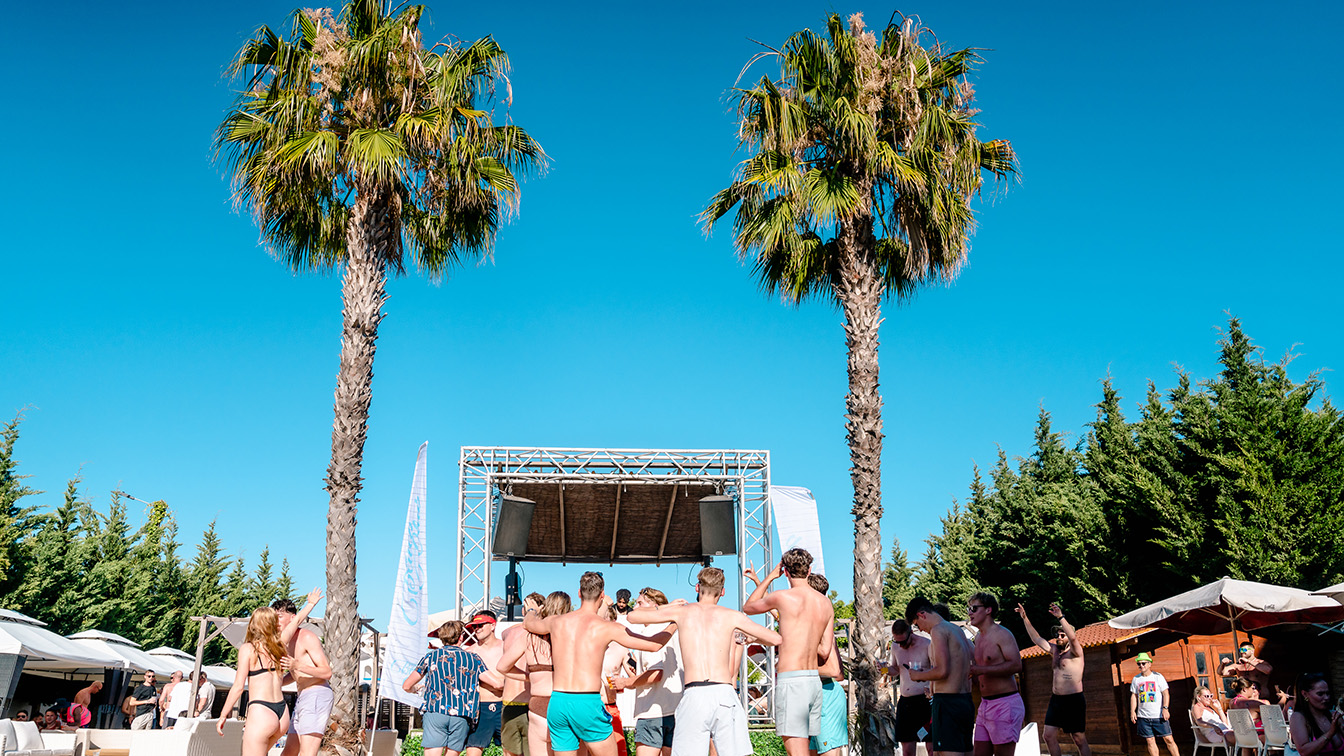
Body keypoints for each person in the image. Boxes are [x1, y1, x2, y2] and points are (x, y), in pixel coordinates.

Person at [627, 566, 780, 756]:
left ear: (697, 588)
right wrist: (752, 638)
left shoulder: (682, 612)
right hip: (724, 692)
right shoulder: (732, 616)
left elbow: (632, 616)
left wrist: (667, 607)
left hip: (695, 693)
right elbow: (775, 639)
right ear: (722, 592)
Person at [522, 572, 675, 756]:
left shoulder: (557, 622)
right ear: (602, 595)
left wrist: (531, 611)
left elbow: (530, 624)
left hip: (558, 701)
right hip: (586, 701)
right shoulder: (606, 627)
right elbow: (654, 644)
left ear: (579, 593)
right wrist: (676, 621)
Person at [742, 548, 835, 756]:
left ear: (785, 572)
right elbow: (825, 650)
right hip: (813, 682)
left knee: (797, 753)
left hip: (792, 681)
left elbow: (748, 607)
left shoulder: (782, 597)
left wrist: (769, 577)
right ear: (809, 570)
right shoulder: (825, 603)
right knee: (808, 751)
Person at [217, 592, 318, 753]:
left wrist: (223, 714)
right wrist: (311, 604)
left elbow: (238, 687)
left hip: (261, 711)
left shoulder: (248, 649)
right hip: (282, 713)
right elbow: (297, 620)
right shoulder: (280, 644)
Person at [404, 620, 492, 756]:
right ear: (461, 637)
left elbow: (406, 685)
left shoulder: (431, 657)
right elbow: (495, 682)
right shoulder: (473, 659)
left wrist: (415, 689)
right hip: (462, 714)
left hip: (436, 711)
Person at [613, 587, 682, 756]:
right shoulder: (674, 631)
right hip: (676, 709)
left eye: (639, 603)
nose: (634, 607)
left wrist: (625, 682)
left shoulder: (652, 631)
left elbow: (655, 674)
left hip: (652, 711)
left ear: (655, 606)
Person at [1018, 602, 1091, 756]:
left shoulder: (1076, 652)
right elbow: (1037, 639)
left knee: (1078, 738)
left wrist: (1061, 617)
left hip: (1074, 700)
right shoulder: (1055, 651)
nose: (1059, 637)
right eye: (1058, 635)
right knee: (1048, 736)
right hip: (1056, 700)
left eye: (1062, 635)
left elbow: (1072, 638)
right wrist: (1025, 618)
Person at [906, 596, 973, 756]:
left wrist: (917, 676)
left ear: (922, 614)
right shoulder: (956, 630)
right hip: (964, 701)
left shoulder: (938, 630)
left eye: (917, 624)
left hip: (948, 702)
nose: (920, 630)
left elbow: (943, 671)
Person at [275, 589, 333, 756]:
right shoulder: (284, 642)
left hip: (316, 694)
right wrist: (274, 683)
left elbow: (326, 672)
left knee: (308, 753)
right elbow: (294, 674)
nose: (275, 621)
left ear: (293, 618)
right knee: (289, 751)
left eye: (279, 616)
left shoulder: (307, 637)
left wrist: (296, 665)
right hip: (302, 697)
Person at [966, 592, 1023, 756]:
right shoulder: (978, 637)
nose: (970, 612)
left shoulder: (1002, 634)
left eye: (974, 608)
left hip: (1005, 703)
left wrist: (981, 670)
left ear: (988, 610)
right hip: (985, 705)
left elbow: (1016, 665)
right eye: (969, 608)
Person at [805, 574, 846, 756]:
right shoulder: (806, 623)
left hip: (827, 695)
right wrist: (761, 582)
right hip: (813, 697)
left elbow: (836, 671)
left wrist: (800, 668)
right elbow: (778, 613)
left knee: (828, 753)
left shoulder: (821, 624)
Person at [464, 610, 506, 756]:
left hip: (505, 705)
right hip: (480, 708)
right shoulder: (469, 652)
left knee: (512, 751)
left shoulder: (506, 647)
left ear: (493, 626)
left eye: (481, 625)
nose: (477, 629)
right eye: (474, 626)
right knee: (473, 751)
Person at [889, 618, 932, 756]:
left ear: (911, 633)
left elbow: (937, 671)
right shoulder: (895, 646)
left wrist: (925, 677)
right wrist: (884, 669)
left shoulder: (927, 644)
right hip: (906, 702)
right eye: (897, 641)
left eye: (903, 641)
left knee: (932, 748)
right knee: (907, 751)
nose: (900, 645)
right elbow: (895, 669)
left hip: (925, 701)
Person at [1129, 653, 1179, 756]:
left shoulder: (1158, 677)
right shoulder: (1136, 679)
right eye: (1139, 664)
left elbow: (1165, 693)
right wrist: (1132, 711)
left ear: (1149, 664)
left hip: (1158, 715)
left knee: (1168, 738)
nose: (1141, 666)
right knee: (1150, 741)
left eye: (1143, 663)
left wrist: (1165, 708)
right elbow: (1134, 696)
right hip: (1143, 716)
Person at [1289, 673, 1344, 756]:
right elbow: (1304, 751)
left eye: (1327, 693)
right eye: (1320, 694)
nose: (1326, 698)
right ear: (1305, 694)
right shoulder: (1298, 718)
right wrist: (1330, 733)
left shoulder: (1333, 715)